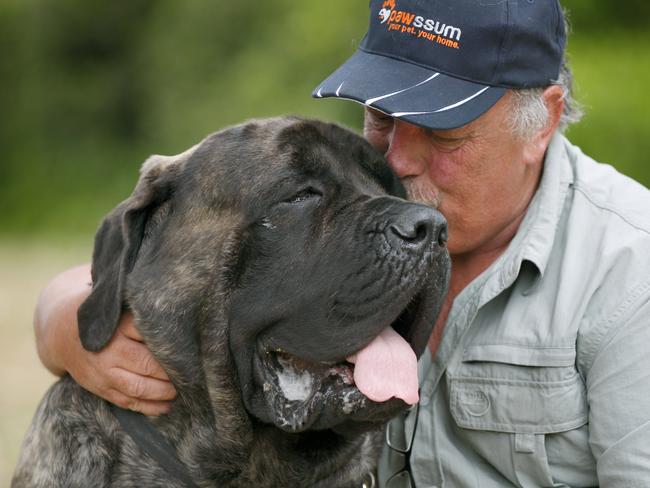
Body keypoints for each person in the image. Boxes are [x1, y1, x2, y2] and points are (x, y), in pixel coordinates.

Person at [34, 0, 650, 486]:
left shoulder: (627, 270)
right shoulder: (366, 210)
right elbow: (176, 247)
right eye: (382, 118)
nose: (397, 160)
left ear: (540, 121)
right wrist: (64, 324)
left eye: (444, 133)